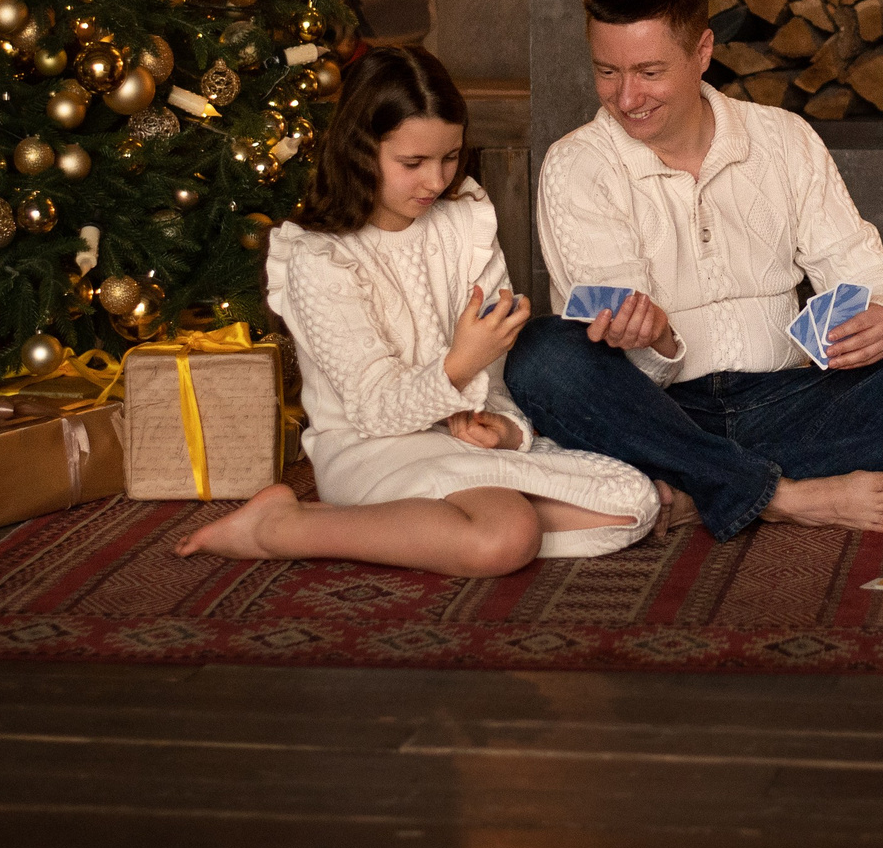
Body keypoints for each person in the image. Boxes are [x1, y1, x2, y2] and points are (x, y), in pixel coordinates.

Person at [504, 0, 883, 539]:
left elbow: (864, 266)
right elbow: (608, 349)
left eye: (648, 72)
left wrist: (882, 316)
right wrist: (657, 337)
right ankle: (784, 496)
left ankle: (701, 485)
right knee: (541, 356)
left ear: (702, 53)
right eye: (607, 72)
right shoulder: (575, 166)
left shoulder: (782, 138)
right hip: (658, 411)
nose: (626, 98)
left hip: (790, 400)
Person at [177, 45, 656, 570]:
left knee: (633, 503)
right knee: (507, 535)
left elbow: (495, 371)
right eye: (413, 163)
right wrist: (459, 364)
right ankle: (281, 528)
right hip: (371, 445)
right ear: (361, 152)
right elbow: (374, 409)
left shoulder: (465, 220)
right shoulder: (320, 257)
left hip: (457, 438)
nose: (436, 181)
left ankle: (440, 522)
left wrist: (505, 427)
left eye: (450, 157)